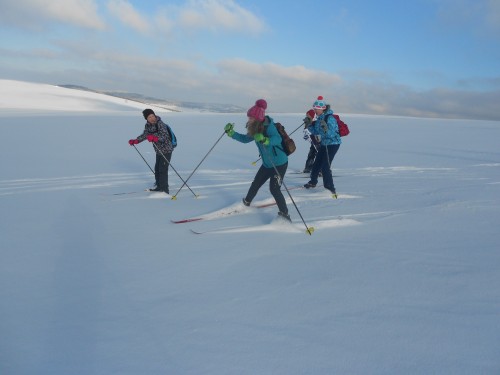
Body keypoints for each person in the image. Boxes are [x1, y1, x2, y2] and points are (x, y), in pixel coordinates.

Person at [223, 99, 291, 222]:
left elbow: (277, 139)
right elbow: (244, 139)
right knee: (256, 183)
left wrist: (266, 140)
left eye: (251, 118)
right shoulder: (254, 128)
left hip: (279, 164)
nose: (249, 120)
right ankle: (246, 202)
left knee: (274, 189)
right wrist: (231, 133)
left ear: (257, 118)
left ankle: (284, 214)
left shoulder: (269, 127)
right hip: (267, 164)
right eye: (249, 117)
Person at [128, 109, 175, 194]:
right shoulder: (148, 126)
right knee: (157, 169)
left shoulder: (161, 124)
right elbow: (145, 135)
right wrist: (136, 141)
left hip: (167, 149)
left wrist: (155, 138)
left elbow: (164, 137)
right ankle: (159, 186)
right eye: (150, 117)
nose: (152, 118)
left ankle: (164, 190)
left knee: (162, 169)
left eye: (153, 116)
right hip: (158, 150)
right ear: (146, 119)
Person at [303, 96, 341, 197]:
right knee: (317, 163)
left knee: (325, 166)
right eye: (314, 108)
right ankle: (313, 182)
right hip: (324, 144)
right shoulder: (320, 119)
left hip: (333, 144)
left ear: (322, 108)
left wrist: (326, 130)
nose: (315, 110)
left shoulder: (330, 118)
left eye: (316, 109)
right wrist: (309, 125)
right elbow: (316, 132)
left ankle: (330, 189)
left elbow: (333, 134)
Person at [302, 109, 320, 173]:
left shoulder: (317, 122)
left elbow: (316, 132)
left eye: (308, 116)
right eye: (307, 116)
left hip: (319, 142)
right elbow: (306, 133)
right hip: (313, 142)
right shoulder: (309, 122)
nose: (307, 117)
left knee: (320, 155)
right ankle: (308, 168)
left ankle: (321, 170)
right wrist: (307, 125)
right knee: (311, 154)